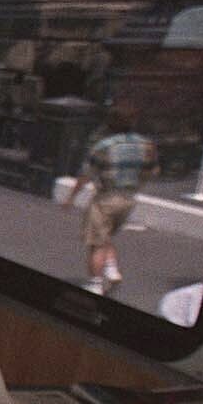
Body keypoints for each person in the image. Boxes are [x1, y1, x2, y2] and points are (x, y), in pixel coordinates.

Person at [63, 108, 158, 294]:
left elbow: (86, 175)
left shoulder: (104, 146)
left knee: (95, 243)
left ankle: (95, 284)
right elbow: (152, 171)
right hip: (129, 199)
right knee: (105, 235)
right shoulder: (147, 146)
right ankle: (111, 269)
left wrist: (71, 197)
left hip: (106, 198)